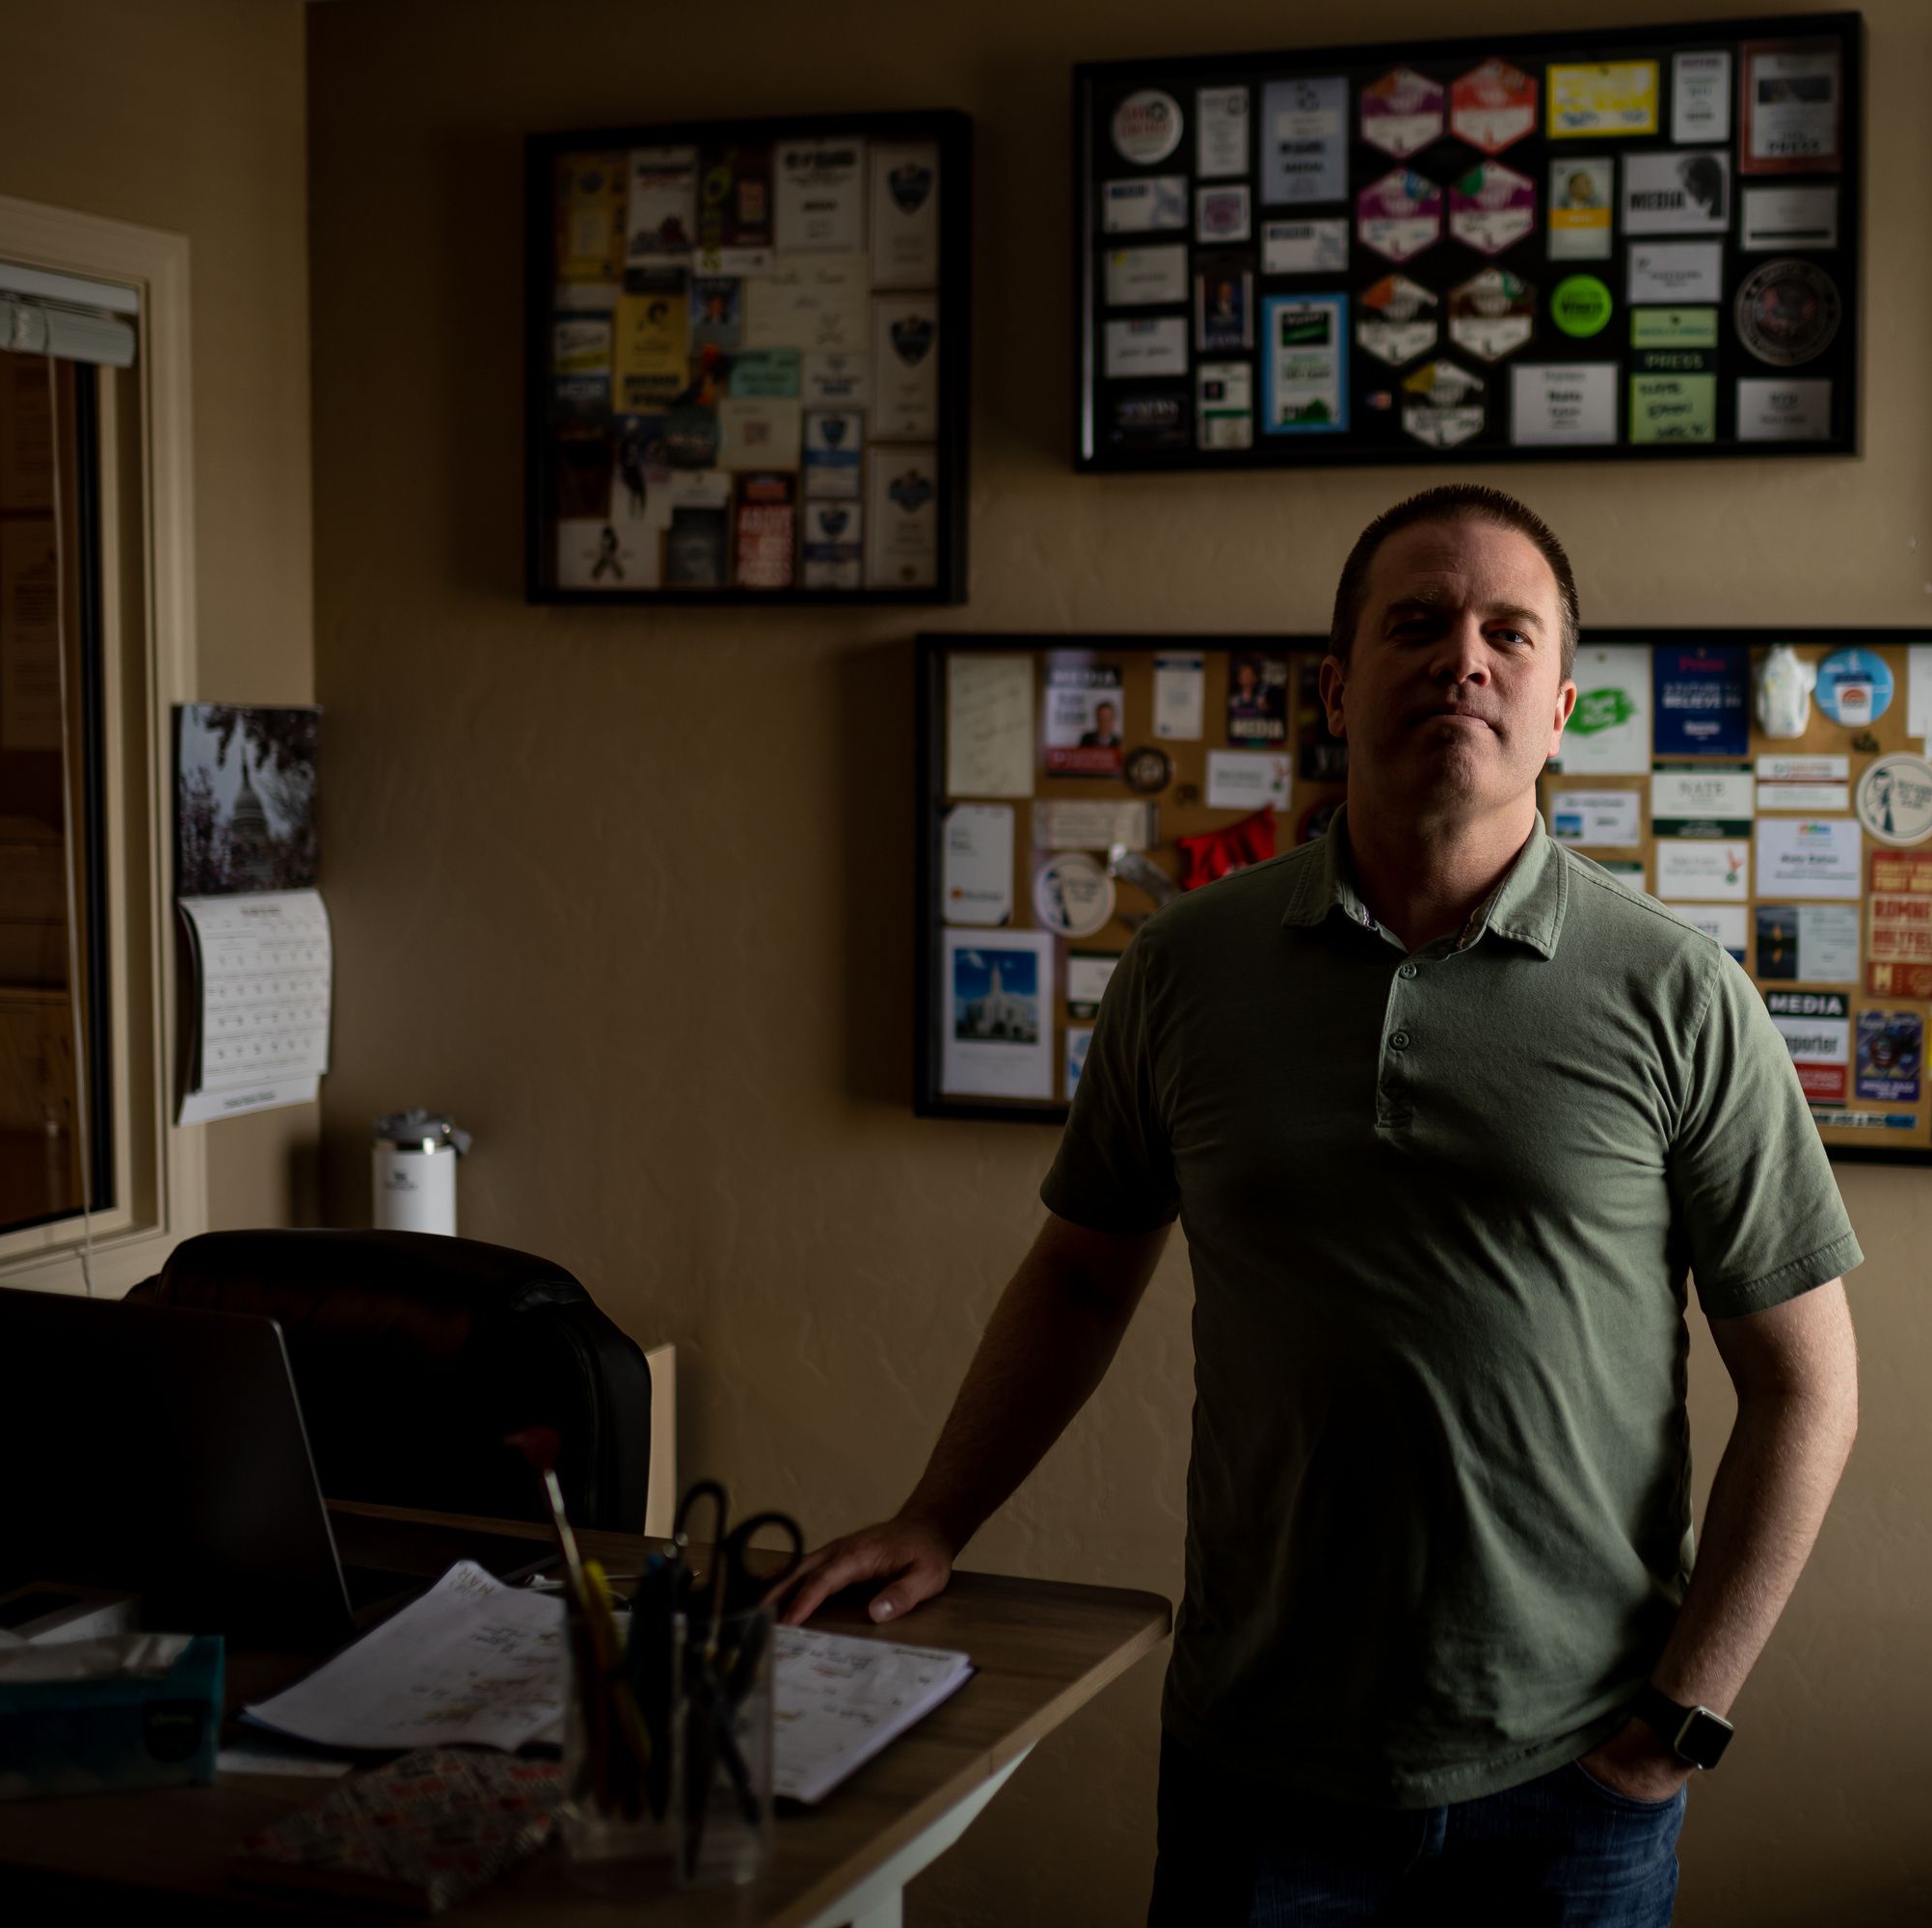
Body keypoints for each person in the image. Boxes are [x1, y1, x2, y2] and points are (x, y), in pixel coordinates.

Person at [782, 485, 1862, 1925]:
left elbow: (1808, 1390)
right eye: (1416, 622)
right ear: (1339, 685)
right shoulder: (1187, 968)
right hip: (1260, 1768)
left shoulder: (1679, 995)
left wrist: (1683, 1722)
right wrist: (938, 1516)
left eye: (1506, 632)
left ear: (1558, 710)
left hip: (1572, 1786)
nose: (1461, 657)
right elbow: (1082, 1277)